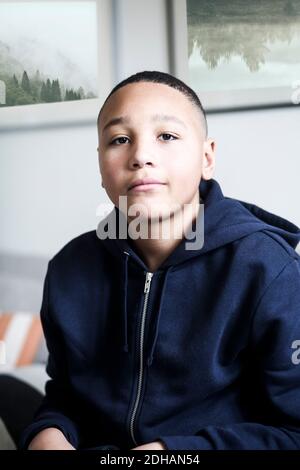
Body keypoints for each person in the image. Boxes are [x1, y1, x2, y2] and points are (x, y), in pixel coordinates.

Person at [20, 71, 300, 451]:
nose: (140, 156)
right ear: (102, 165)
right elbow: (67, 397)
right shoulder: (69, 269)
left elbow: (293, 431)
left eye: (166, 136)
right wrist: (47, 434)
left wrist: (169, 453)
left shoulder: (268, 269)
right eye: (119, 140)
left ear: (207, 157)